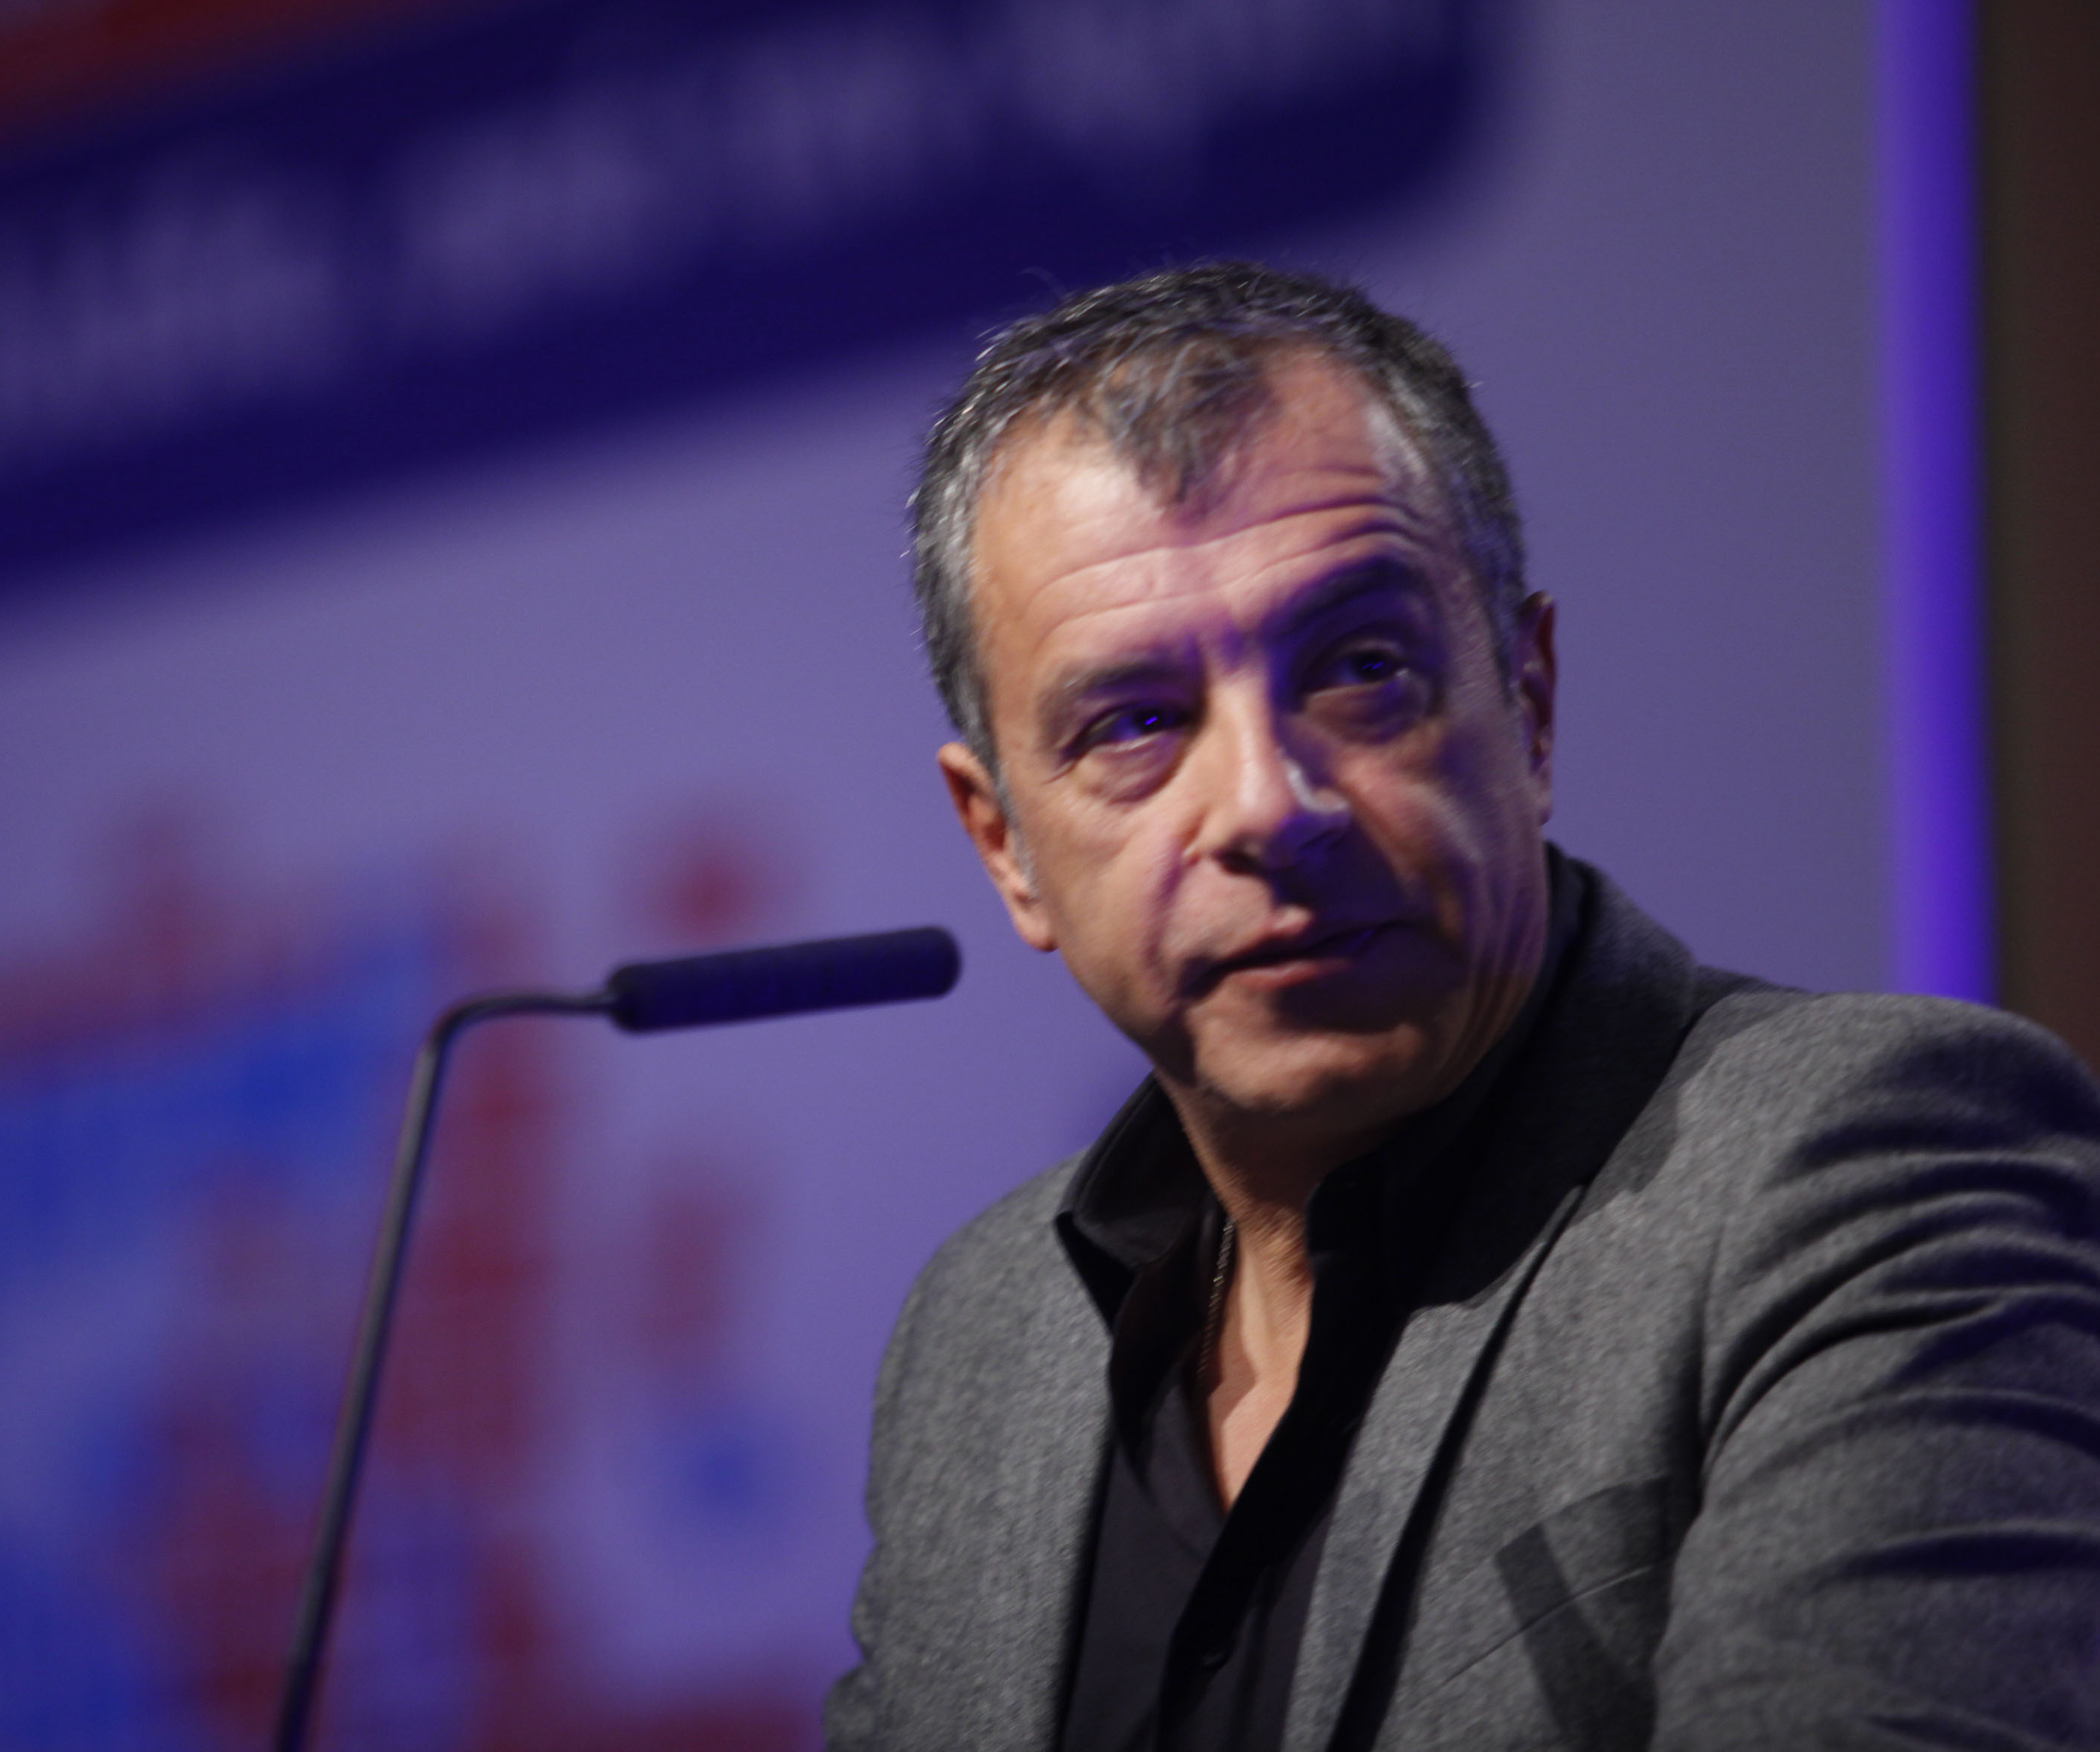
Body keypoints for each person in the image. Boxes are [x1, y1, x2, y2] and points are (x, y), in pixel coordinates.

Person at [825, 262, 2100, 1751]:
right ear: (1004, 846)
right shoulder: (980, 1337)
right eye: (1138, 721)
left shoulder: (1871, 1164)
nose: (1267, 804)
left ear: (1528, 702)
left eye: (1360, 669)